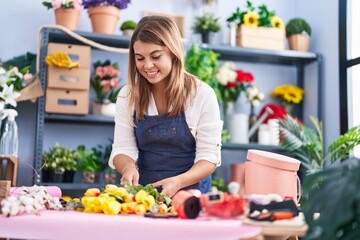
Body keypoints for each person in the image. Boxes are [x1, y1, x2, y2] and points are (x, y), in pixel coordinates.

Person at [109, 15, 223, 198]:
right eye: (139, 58)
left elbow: (209, 157)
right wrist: (128, 167)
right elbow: (122, 149)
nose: (147, 65)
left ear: (173, 52)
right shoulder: (128, 95)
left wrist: (178, 182)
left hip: (190, 197)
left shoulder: (201, 94)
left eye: (156, 56)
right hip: (144, 196)